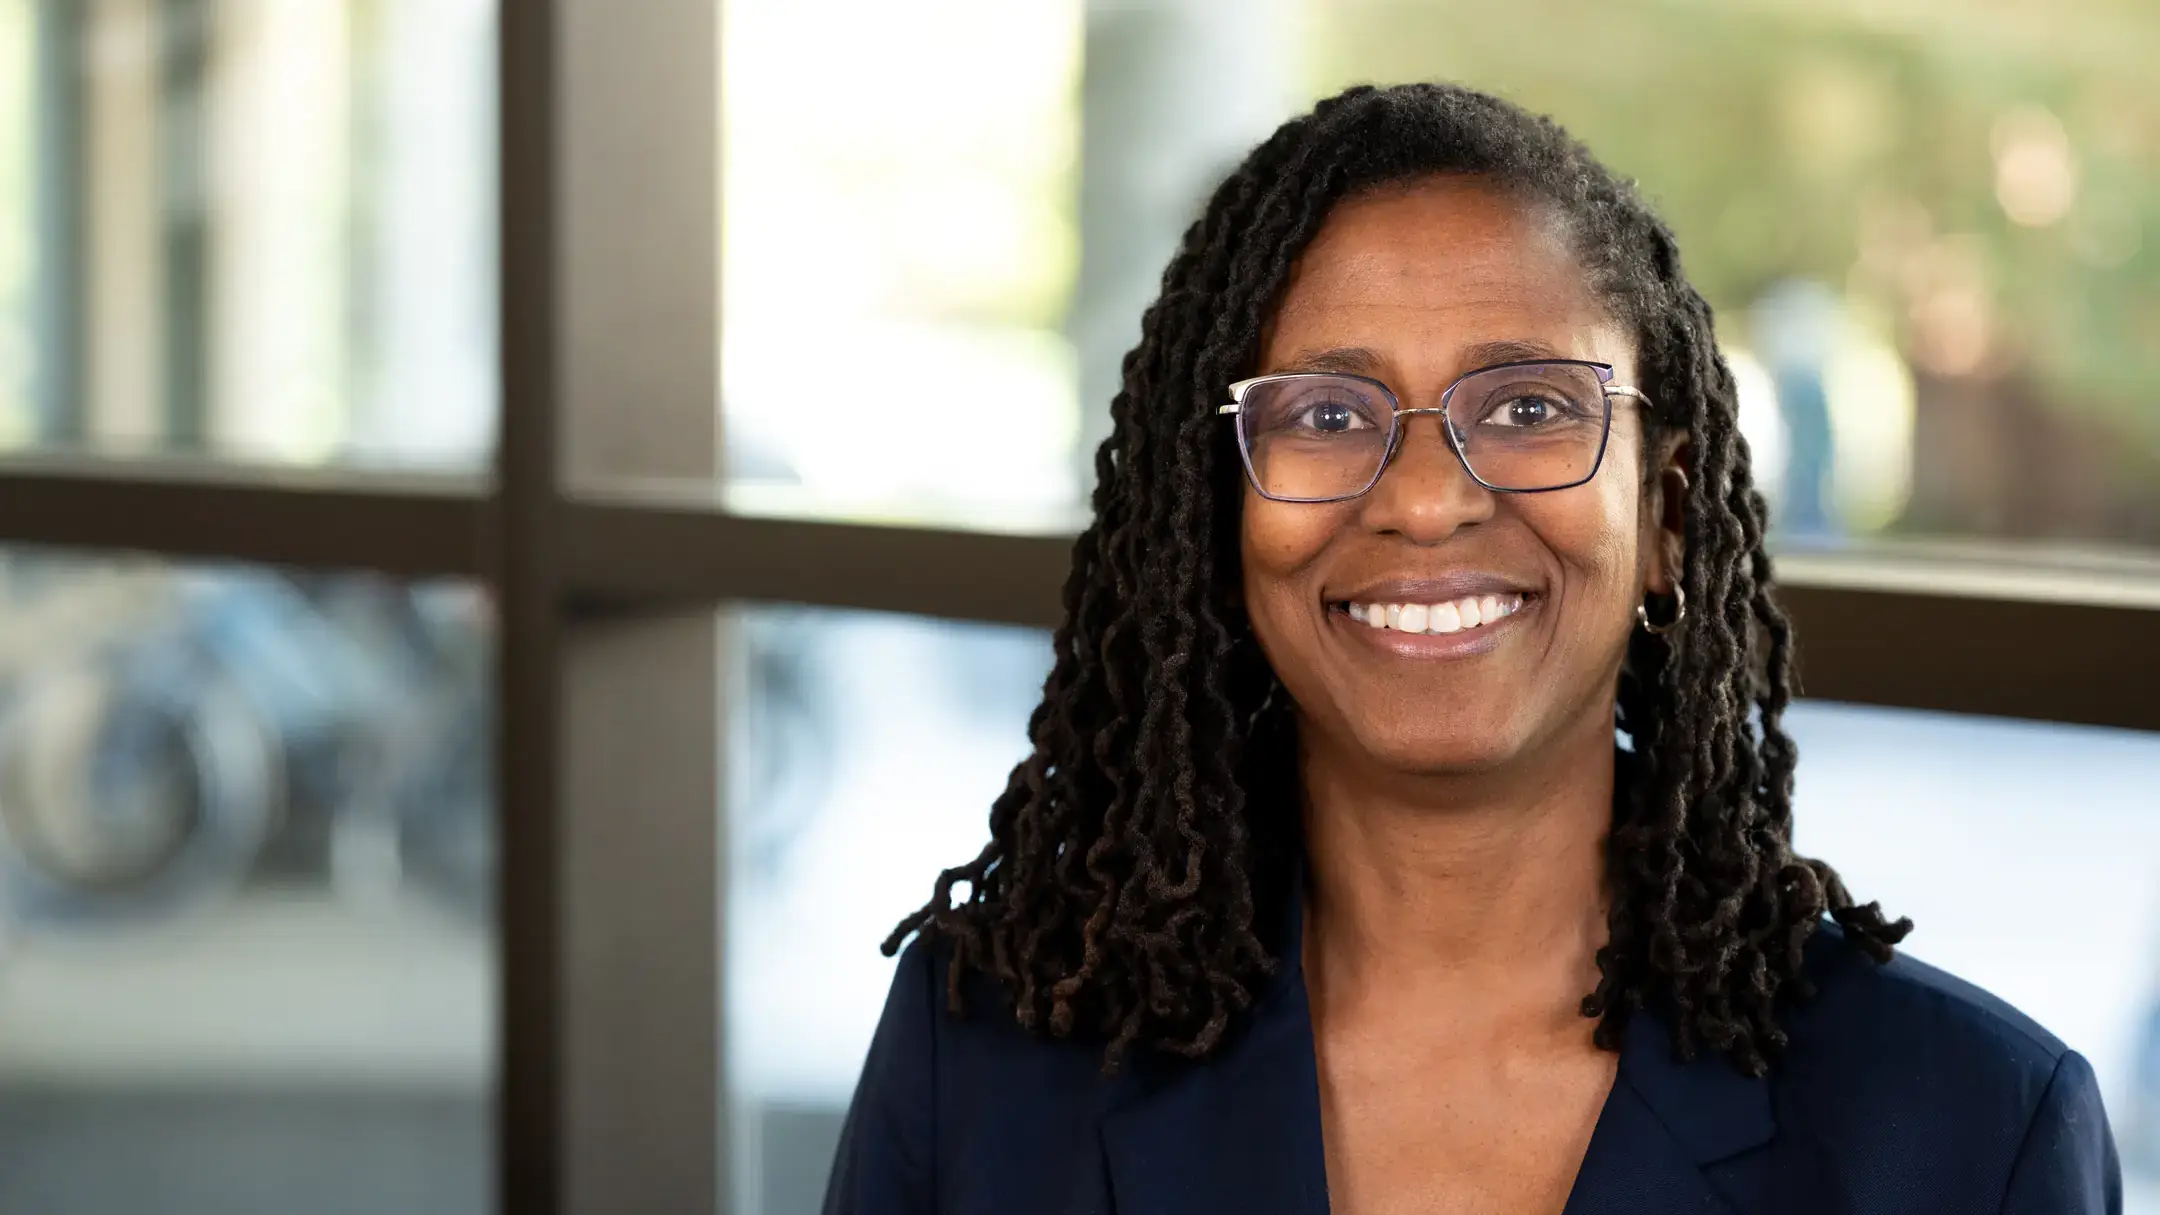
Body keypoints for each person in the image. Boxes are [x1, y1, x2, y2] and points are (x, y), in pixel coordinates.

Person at [823, 82, 2121, 1214]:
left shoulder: (1971, 1128)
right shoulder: (983, 1060)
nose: (1429, 498)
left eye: (1530, 406)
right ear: (1218, 516)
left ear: (1666, 515)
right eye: (1328, 412)